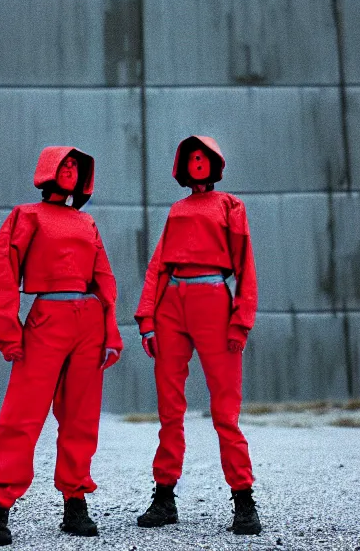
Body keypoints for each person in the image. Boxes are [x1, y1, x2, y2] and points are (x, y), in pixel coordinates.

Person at [0, 146, 123, 546]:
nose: (71, 172)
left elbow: (104, 279)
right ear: (49, 170)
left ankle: (75, 501)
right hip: (46, 319)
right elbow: (3, 272)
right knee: (22, 414)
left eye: (77, 167)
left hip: (89, 321)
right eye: (66, 165)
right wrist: (8, 330)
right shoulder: (26, 215)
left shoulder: (87, 222)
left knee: (81, 416)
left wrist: (111, 330)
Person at [135, 135, 261, 535]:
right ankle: (164, 497)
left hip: (214, 303)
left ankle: (243, 501)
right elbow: (158, 264)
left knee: (226, 411)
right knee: (170, 409)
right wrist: (147, 317)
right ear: (183, 166)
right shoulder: (176, 210)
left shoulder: (231, 206)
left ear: (214, 163)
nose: (197, 162)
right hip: (172, 303)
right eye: (191, 157)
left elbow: (245, 264)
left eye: (203, 156)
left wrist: (241, 319)